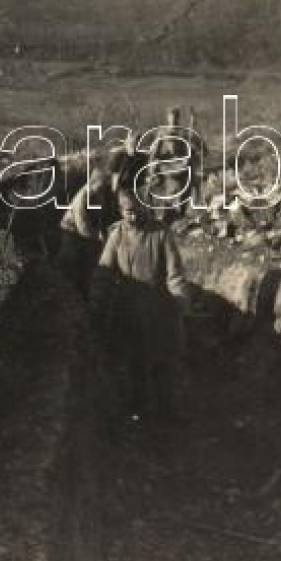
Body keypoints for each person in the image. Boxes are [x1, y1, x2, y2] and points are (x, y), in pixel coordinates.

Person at [89, 180, 194, 422]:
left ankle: (168, 412)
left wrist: (181, 303)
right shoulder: (117, 236)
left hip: (158, 312)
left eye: (136, 211)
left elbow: (174, 274)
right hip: (128, 312)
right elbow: (104, 273)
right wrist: (96, 302)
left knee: (163, 363)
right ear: (120, 210)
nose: (132, 216)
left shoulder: (160, 234)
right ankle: (139, 414)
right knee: (134, 363)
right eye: (127, 212)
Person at [55, 165, 117, 293]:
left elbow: (99, 216)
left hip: (87, 231)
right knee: (71, 261)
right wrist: (98, 239)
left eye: (105, 185)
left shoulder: (99, 195)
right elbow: (82, 226)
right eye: (101, 185)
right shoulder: (82, 198)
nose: (103, 188)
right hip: (70, 231)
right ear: (94, 182)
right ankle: (66, 286)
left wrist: (101, 231)